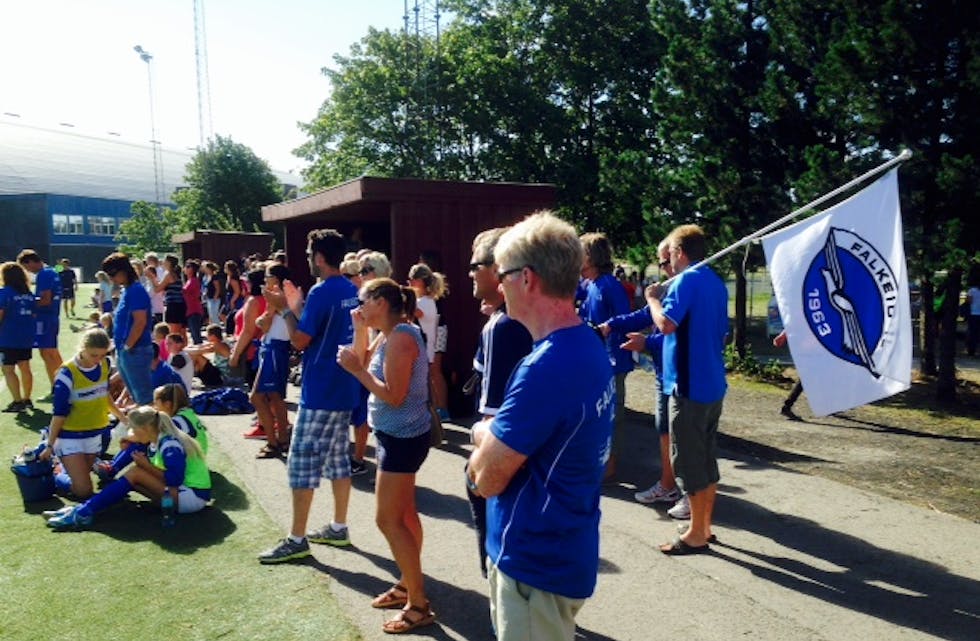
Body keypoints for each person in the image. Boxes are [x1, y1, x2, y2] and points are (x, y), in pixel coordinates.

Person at [467, 212, 614, 641]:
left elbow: (487, 479)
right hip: (566, 547)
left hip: (533, 562)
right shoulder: (585, 341)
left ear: (527, 278)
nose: (497, 284)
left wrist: (482, 435)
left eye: (503, 274)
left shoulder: (545, 367)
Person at [337, 278, 435, 634]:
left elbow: (393, 395)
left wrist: (357, 370)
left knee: (388, 520)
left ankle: (419, 603)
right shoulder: (391, 332)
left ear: (380, 300)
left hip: (403, 438)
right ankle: (409, 583)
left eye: (363, 300)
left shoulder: (402, 337)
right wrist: (358, 329)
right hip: (395, 435)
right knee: (405, 514)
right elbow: (361, 357)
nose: (358, 305)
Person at [257, 229, 359, 564]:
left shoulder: (322, 291)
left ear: (318, 257)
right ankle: (338, 527)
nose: (306, 259)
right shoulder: (350, 289)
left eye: (307, 253)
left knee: (301, 465)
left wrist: (283, 308)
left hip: (321, 391)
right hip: (344, 387)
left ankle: (296, 539)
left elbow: (300, 340)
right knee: (338, 460)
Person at [646, 224, 728, 554]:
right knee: (706, 459)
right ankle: (702, 525)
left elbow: (666, 323)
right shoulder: (715, 282)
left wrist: (653, 300)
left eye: (670, 255)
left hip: (689, 386)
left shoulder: (686, 280)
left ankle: (696, 533)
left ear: (680, 253)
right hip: (711, 383)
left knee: (689, 460)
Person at [465, 227, 533, 577]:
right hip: (534, 467)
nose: (470, 273)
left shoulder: (502, 327)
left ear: (496, 269)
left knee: (499, 565)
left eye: (475, 265)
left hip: (507, 465)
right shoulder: (524, 318)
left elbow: (492, 422)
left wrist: (474, 471)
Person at [602, 240, 681, 507]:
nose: (662, 269)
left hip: (677, 375)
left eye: (664, 261)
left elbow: (677, 335)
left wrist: (646, 343)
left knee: (679, 435)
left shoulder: (686, 289)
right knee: (664, 431)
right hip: (663, 373)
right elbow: (643, 316)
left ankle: (680, 489)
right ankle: (669, 483)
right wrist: (609, 326)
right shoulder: (672, 289)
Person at [46, 405, 211, 529]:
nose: (131, 431)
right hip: (184, 492)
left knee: (135, 474)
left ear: (145, 428)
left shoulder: (170, 445)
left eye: (133, 428)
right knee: (133, 479)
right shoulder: (158, 438)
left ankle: (82, 513)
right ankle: (86, 509)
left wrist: (146, 466)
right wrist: (133, 444)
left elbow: (175, 479)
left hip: (194, 497)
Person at [37, 328, 127, 499]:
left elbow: (104, 394)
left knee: (83, 482)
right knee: (84, 490)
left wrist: (122, 417)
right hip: (70, 435)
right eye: (94, 355)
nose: (98, 360)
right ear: (82, 349)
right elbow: (59, 414)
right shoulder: (66, 374)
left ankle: (65, 468)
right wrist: (49, 445)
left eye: (102, 355)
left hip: (95, 433)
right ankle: (57, 472)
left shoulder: (105, 364)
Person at [578, 232, 633, 479]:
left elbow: (625, 318)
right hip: (593, 360)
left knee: (612, 415)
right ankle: (596, 461)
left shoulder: (609, 285)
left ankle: (608, 467)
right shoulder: (588, 284)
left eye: (580, 252)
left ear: (590, 256)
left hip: (612, 361)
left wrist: (608, 327)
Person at [348, 250, 394, 474]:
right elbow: (362, 353)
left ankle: (383, 469)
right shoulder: (364, 303)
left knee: (384, 420)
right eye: (360, 271)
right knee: (364, 414)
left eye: (366, 270)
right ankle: (369, 462)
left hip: (389, 365)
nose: (361, 275)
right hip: (372, 366)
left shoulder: (393, 301)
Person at [251, 262, 292, 458]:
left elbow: (264, 324)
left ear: (276, 279)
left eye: (268, 276)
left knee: (257, 397)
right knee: (275, 398)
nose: (265, 280)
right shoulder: (280, 296)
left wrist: (265, 314)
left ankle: (274, 442)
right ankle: (281, 439)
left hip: (275, 348)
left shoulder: (277, 297)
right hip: (273, 347)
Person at [104, 252, 154, 406]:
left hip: (135, 351)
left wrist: (127, 346)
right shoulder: (127, 290)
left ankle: (150, 428)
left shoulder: (136, 291)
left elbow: (140, 322)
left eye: (113, 274)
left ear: (124, 271)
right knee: (136, 396)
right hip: (126, 350)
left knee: (144, 399)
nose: (111, 279)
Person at [407, 262, 449, 419]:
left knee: (431, 377)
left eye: (412, 279)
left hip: (428, 347)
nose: (409, 283)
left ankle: (439, 410)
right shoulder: (426, 301)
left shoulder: (424, 302)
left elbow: (411, 311)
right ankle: (437, 410)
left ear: (420, 281)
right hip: (428, 346)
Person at [17, 249, 63, 388]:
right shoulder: (51, 271)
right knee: (50, 353)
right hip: (51, 317)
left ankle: (59, 386)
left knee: (48, 353)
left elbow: (45, 300)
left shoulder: (44, 274)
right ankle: (58, 385)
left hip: (45, 318)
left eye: (26, 267)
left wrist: (26, 301)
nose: (28, 271)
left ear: (31, 262)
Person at [0, 261, 36, 413]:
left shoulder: (4, 293)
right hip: (26, 337)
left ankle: (17, 401)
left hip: (8, 337)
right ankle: (27, 399)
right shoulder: (28, 294)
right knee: (25, 367)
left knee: (8, 369)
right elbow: (34, 315)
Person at [773, 330, 805, 420]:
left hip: (811, 345)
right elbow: (796, 319)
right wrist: (783, 335)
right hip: (808, 346)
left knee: (810, 377)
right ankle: (787, 407)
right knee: (806, 379)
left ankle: (787, 407)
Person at [183, 260, 205, 345]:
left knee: (196, 336)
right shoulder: (189, 281)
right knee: (194, 334)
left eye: (188, 267)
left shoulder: (194, 281)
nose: (185, 269)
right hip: (190, 310)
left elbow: (195, 295)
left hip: (194, 310)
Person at [966, 279, 980, 357]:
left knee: (972, 332)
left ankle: (971, 350)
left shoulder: (972, 290)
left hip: (973, 313)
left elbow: (969, 301)